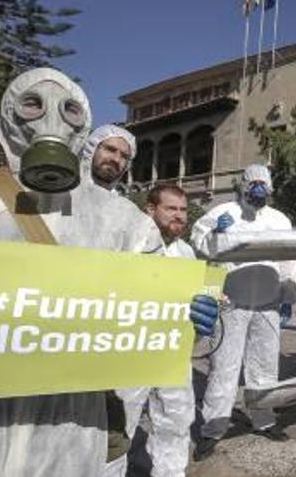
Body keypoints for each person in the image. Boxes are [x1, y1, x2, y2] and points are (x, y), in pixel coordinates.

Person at [0, 68, 218, 476]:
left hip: (73, 432)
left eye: (68, 109)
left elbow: (152, 309)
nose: (50, 119)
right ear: (8, 113)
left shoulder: (121, 220)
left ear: (82, 121)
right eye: (33, 104)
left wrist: (186, 315)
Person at [191, 164, 296, 460]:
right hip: (231, 302)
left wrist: (288, 295)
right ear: (243, 186)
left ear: (271, 188)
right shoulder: (221, 212)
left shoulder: (280, 220)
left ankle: (263, 420)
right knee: (223, 367)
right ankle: (213, 429)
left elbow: (289, 259)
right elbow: (199, 244)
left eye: (264, 184)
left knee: (264, 366)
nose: (259, 189)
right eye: (254, 184)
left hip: (268, 302)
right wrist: (215, 232)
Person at [116, 185, 198, 477]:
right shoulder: (128, 245)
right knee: (120, 423)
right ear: (150, 210)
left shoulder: (186, 252)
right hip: (130, 350)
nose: (179, 216)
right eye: (171, 208)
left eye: (184, 210)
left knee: (176, 421)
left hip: (172, 352)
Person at [81, 124, 135, 191]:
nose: (116, 159)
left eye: (124, 156)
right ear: (92, 149)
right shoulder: (67, 192)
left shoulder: (119, 201)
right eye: (110, 150)